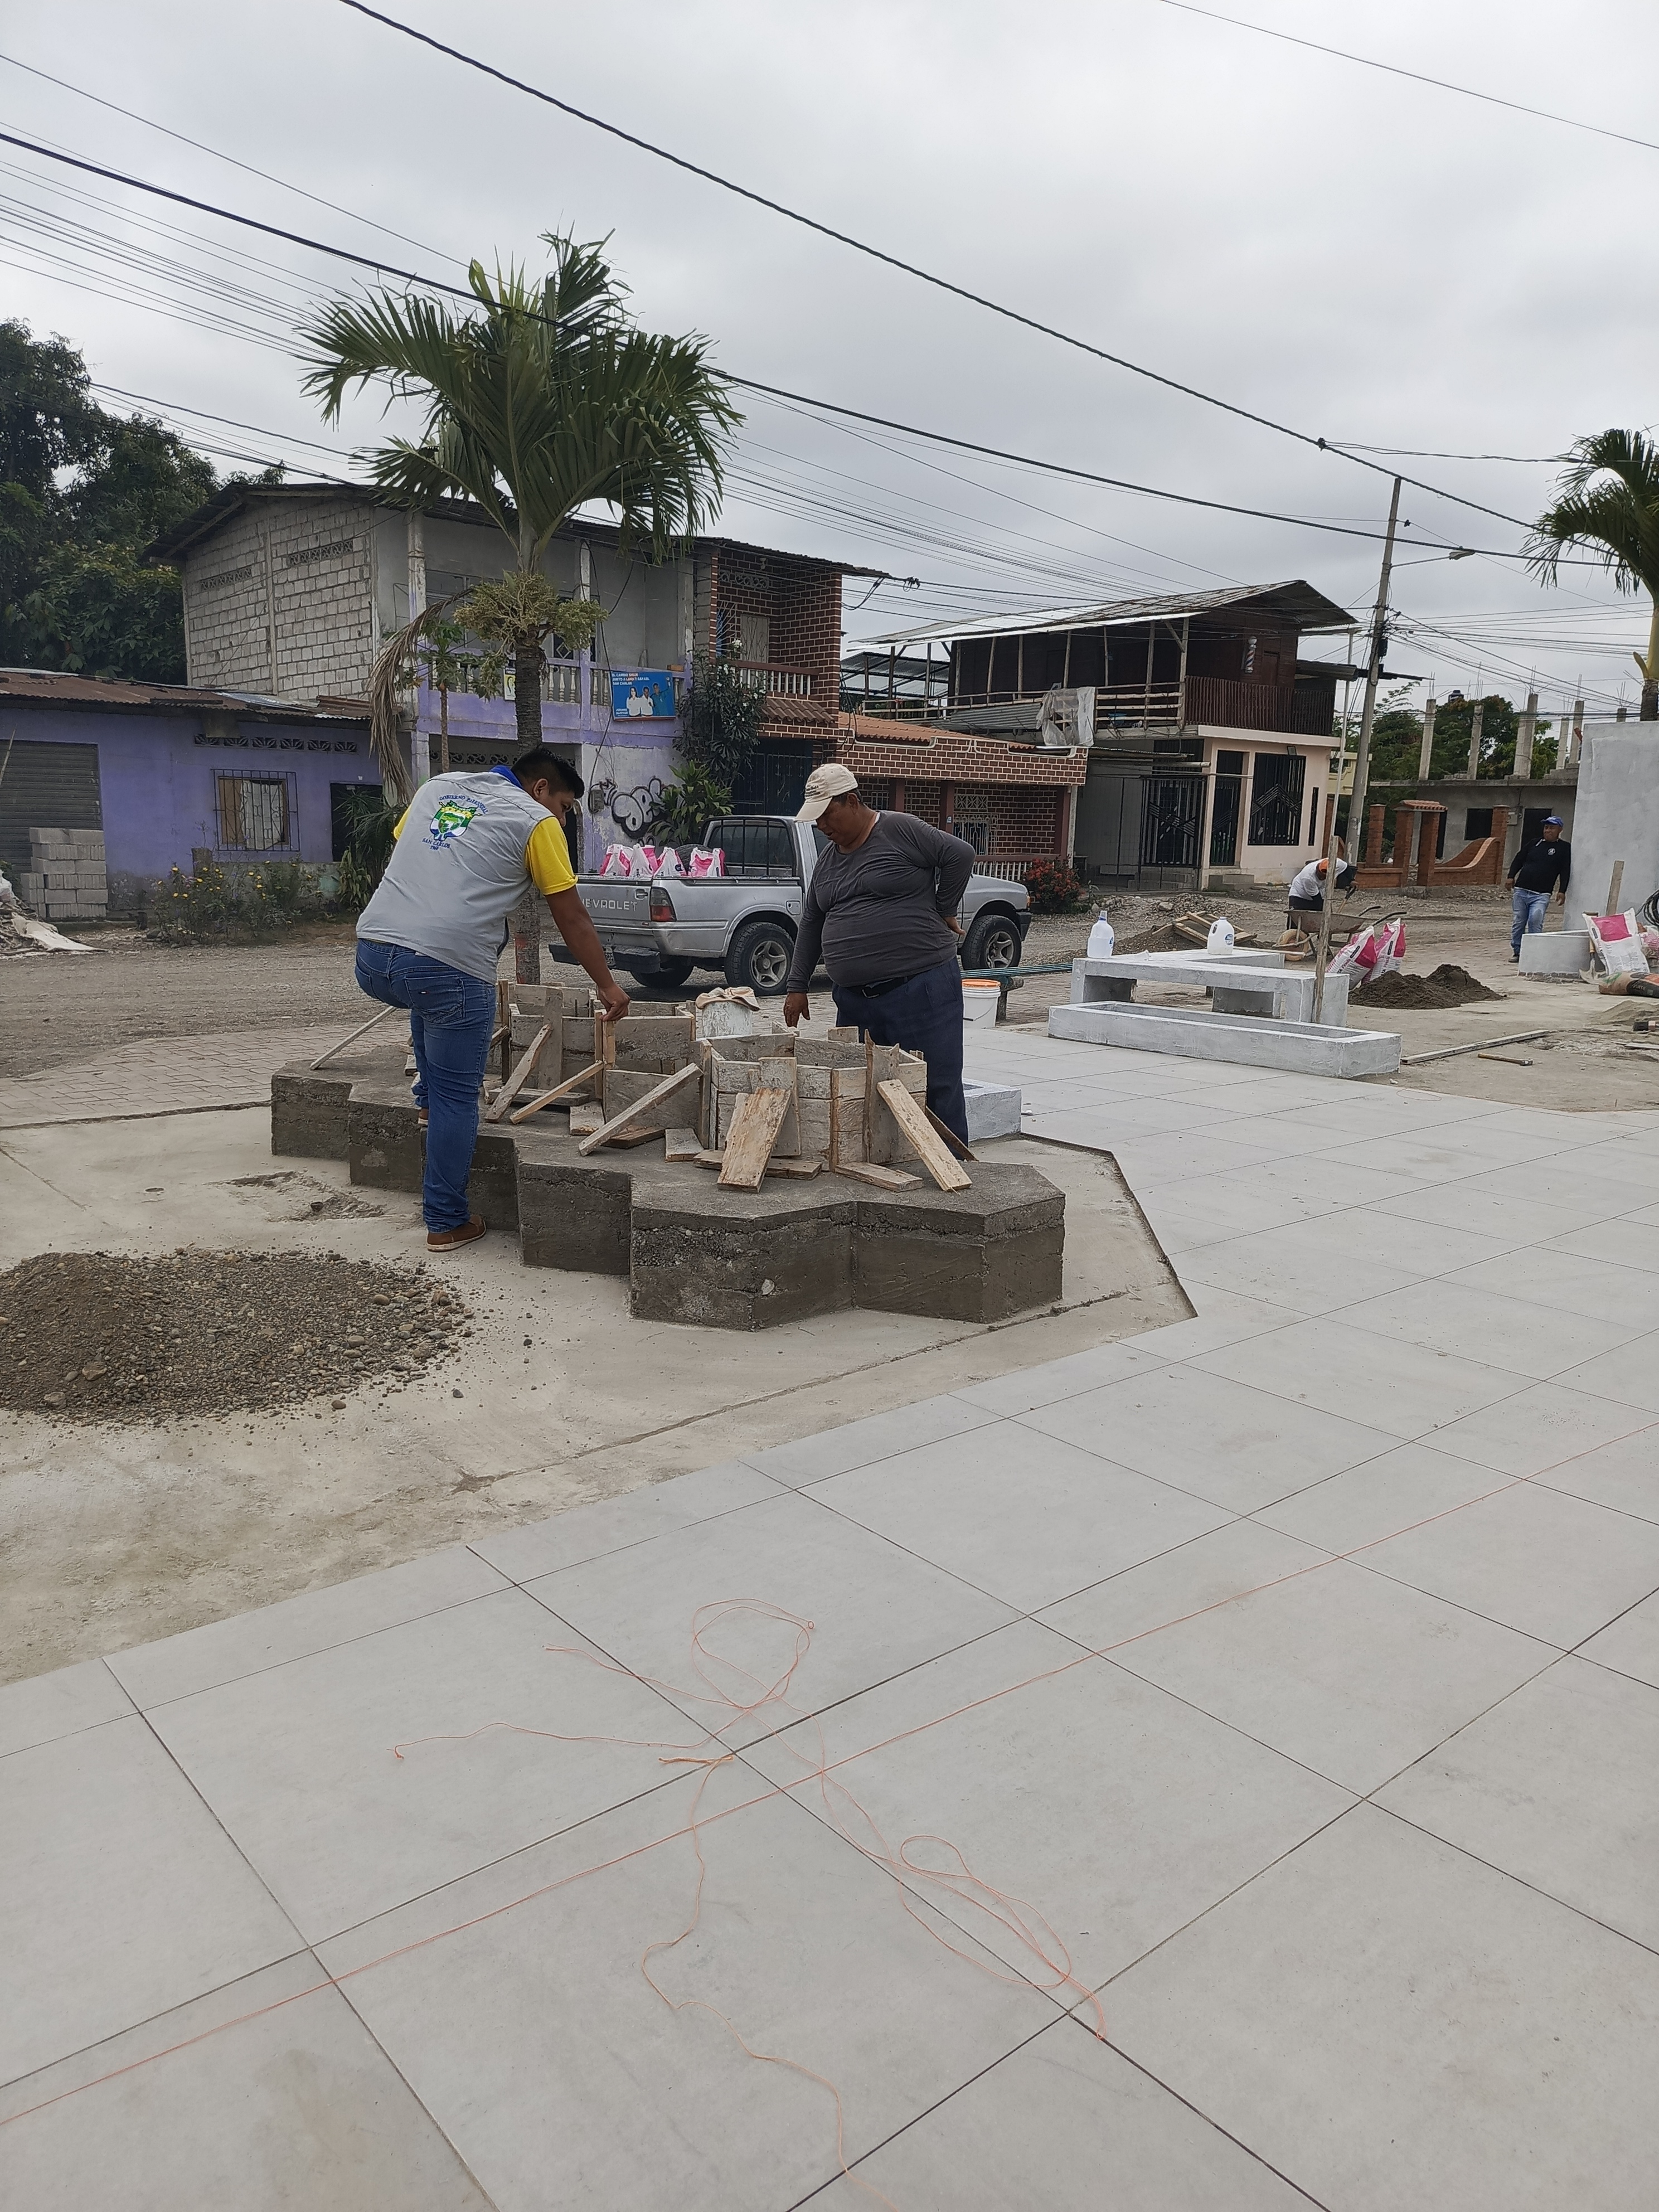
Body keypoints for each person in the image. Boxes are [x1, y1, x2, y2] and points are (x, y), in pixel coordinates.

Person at [355, 745, 629, 1250]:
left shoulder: (440, 788)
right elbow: (570, 916)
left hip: (373, 954)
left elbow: (420, 853)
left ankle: (425, 1103)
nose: (563, 819)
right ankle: (445, 1222)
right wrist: (607, 985)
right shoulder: (536, 821)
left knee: (428, 998)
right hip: (446, 967)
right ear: (541, 788)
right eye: (565, 807)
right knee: (458, 1095)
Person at [780, 764, 974, 1142]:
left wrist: (945, 908)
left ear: (852, 801)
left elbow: (960, 855)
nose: (822, 826)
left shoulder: (900, 829)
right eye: (816, 819)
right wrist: (797, 985)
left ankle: (951, 1170)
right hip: (856, 1001)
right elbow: (812, 921)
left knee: (935, 1085)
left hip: (921, 989)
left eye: (827, 815)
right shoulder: (827, 862)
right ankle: (885, 1165)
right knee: (866, 1088)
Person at [1507, 814, 1570, 959]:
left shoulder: (1564, 848)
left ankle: (1533, 953)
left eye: (1552, 828)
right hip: (1521, 891)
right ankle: (1518, 951)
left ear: (1560, 830)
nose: (1548, 831)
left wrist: (1562, 891)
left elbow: (1565, 870)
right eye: (1546, 827)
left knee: (1535, 920)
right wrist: (1511, 876)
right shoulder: (1534, 843)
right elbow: (1519, 859)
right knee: (1519, 922)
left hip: (1541, 894)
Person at [1284, 848, 1355, 935]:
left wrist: (1351, 880)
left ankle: (1323, 937)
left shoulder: (1337, 863)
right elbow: (1317, 900)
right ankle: (1292, 937)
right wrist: (1326, 913)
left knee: (1326, 918)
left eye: (1324, 877)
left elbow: (1346, 868)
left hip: (1320, 893)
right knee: (1297, 920)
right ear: (1317, 869)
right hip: (1300, 895)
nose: (1321, 878)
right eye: (1320, 876)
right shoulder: (1308, 878)